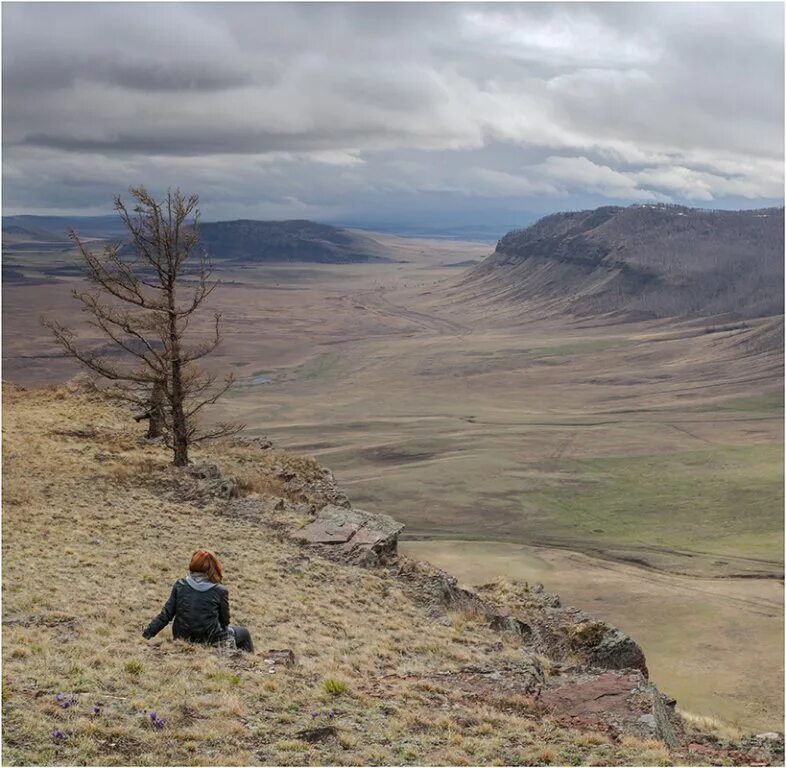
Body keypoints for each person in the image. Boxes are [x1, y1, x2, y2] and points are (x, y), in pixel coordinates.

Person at [142, 549, 254, 652]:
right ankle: (249, 664)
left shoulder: (180, 585)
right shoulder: (220, 591)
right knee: (244, 633)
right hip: (210, 639)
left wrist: (147, 635)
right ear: (213, 567)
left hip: (183, 637)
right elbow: (225, 621)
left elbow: (165, 615)